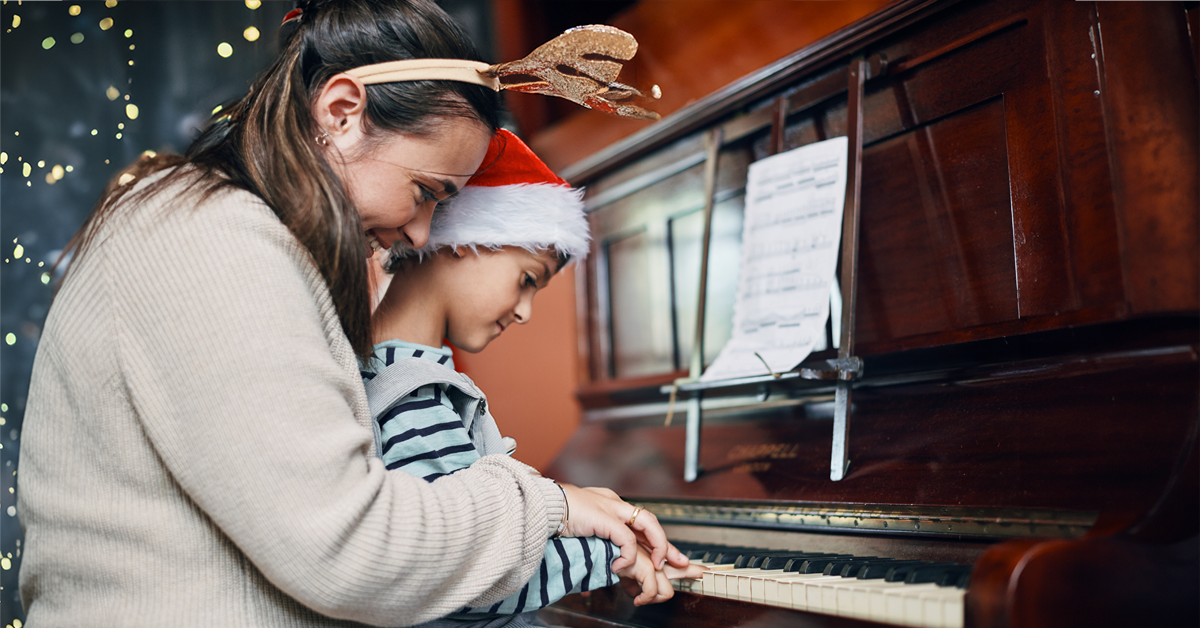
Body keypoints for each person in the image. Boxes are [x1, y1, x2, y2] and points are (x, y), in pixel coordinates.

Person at [16, 2, 685, 626]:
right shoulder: (213, 237)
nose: (424, 234)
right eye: (426, 191)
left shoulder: (230, 230)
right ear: (341, 112)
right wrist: (552, 505)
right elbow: (348, 550)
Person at [362, 130, 705, 627]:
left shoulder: (408, 374)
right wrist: (610, 558)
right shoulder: (412, 394)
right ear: (466, 240)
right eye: (527, 280)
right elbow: (462, 578)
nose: (524, 312)